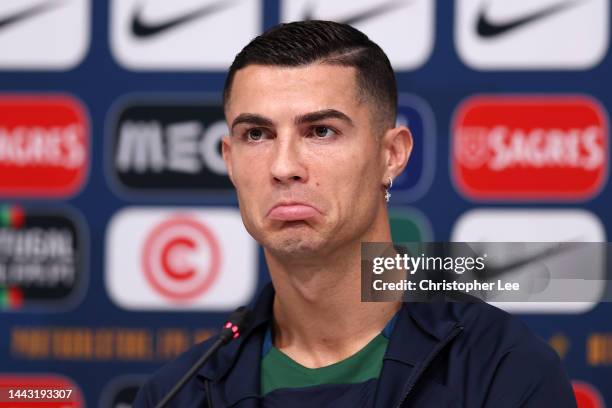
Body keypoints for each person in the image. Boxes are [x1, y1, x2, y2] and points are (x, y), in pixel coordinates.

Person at [133, 20, 577, 407]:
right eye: (257, 134)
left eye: (321, 131)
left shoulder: (502, 371)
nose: (284, 166)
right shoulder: (177, 392)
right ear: (229, 160)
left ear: (393, 155)